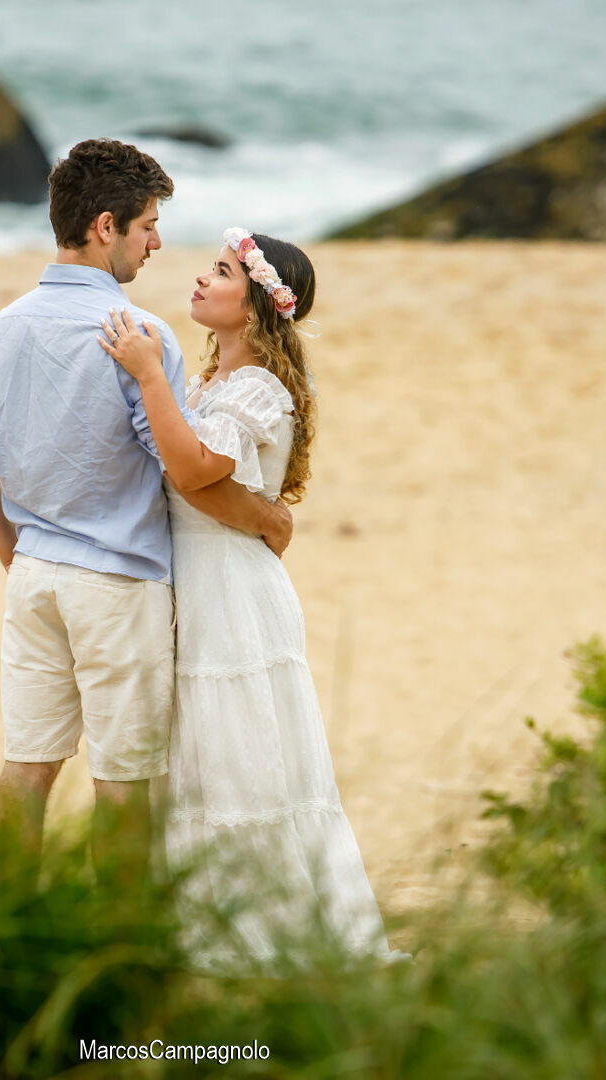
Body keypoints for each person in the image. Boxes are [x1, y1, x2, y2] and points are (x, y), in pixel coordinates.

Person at [0, 140, 293, 884]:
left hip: (33, 577)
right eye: (146, 226)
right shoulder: (141, 336)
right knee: (121, 783)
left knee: (27, 770)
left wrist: (15, 552)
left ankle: (3, 931)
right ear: (105, 226)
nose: (157, 243)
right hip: (117, 585)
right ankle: (119, 956)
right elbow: (185, 471)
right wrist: (266, 518)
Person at [99, 228, 398, 968]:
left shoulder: (258, 386)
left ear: (257, 302)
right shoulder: (212, 385)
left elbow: (198, 475)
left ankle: (258, 942)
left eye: (222, 272)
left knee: (241, 762)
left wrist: (147, 379)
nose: (201, 280)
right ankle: (205, 932)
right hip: (192, 585)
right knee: (196, 761)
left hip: (230, 590)